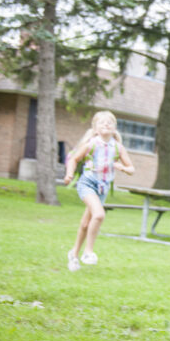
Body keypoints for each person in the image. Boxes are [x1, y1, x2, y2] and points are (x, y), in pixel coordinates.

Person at [62, 111, 134, 271]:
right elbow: (74, 159)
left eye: (110, 122)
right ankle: (88, 252)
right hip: (87, 183)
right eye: (102, 122)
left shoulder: (118, 147)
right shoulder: (92, 144)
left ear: (115, 128)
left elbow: (131, 168)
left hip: (103, 187)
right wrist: (69, 174)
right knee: (99, 214)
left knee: (86, 222)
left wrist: (122, 167)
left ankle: (73, 254)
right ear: (95, 129)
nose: (106, 124)